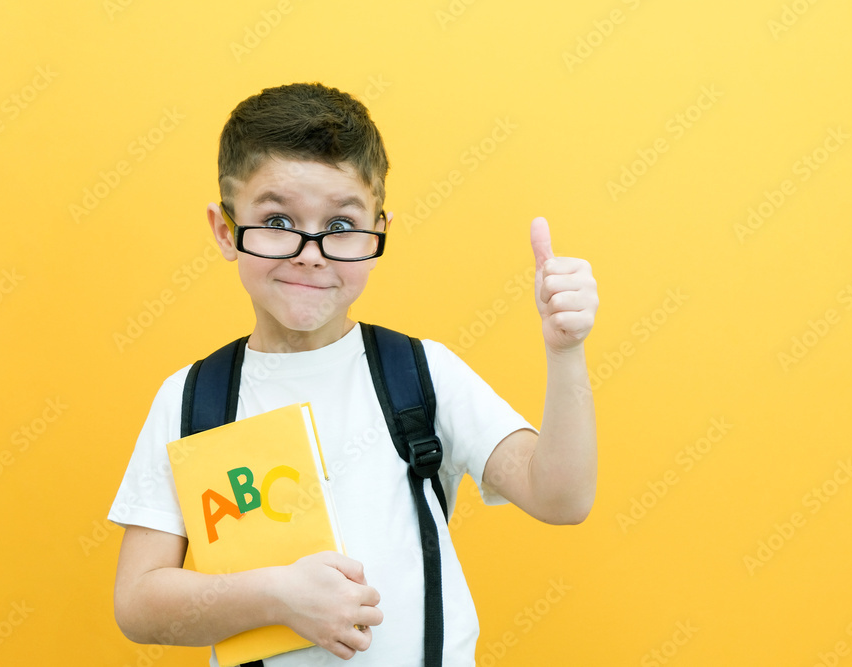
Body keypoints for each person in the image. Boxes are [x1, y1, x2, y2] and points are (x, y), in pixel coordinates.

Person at [108, 82, 598, 666]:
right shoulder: (192, 397)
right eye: (278, 219)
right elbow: (139, 602)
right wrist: (276, 596)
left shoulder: (422, 372)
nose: (309, 252)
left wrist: (566, 354)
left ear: (379, 230)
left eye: (340, 226)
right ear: (225, 230)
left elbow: (561, 496)